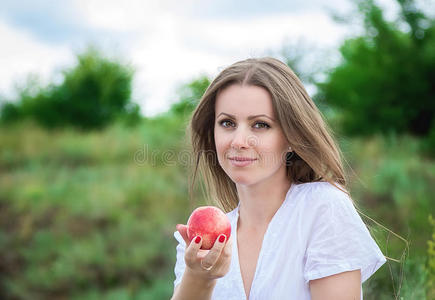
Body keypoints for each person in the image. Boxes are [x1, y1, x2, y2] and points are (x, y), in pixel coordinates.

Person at [171, 57, 386, 300]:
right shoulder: (198, 245)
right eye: (227, 123)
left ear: (292, 137)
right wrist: (200, 277)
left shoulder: (323, 209)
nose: (239, 141)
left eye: (260, 125)